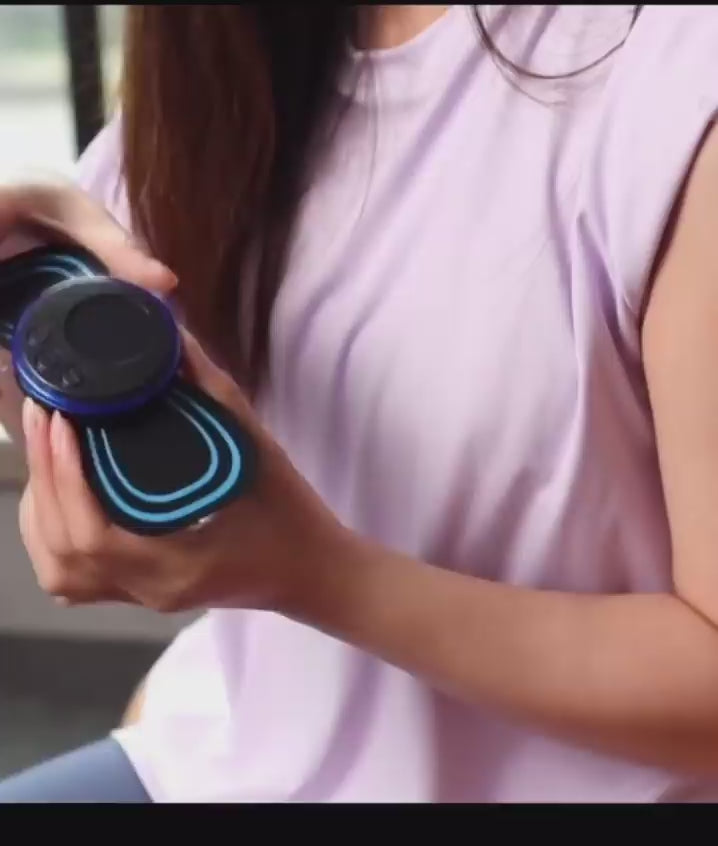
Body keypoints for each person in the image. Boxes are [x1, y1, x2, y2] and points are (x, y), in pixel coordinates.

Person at [1, 3, 718, 803]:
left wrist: (318, 579)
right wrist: (27, 332)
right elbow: (143, 461)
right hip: (231, 755)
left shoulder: (675, 86)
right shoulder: (229, 58)